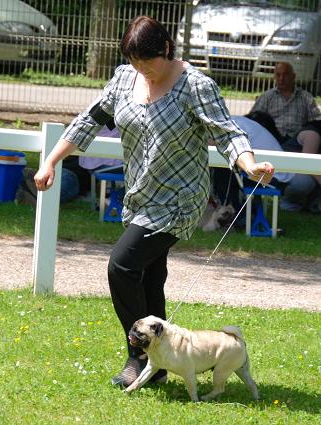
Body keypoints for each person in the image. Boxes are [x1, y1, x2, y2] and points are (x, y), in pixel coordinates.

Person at [34, 16, 274, 389]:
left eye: (148, 61)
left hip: (180, 200)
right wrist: (51, 160)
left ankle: (139, 356)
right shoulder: (124, 79)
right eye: (134, 61)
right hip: (140, 195)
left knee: (122, 266)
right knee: (150, 275)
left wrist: (249, 165)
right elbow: (89, 120)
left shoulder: (196, 86)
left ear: (166, 49)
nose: (142, 69)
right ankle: (162, 365)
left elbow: (228, 134)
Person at [250, 61, 321, 211]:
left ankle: (296, 200)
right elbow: (253, 121)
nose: (281, 78)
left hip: (297, 144)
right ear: (274, 76)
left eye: (285, 74)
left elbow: (315, 123)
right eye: (278, 75)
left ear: (294, 76)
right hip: (272, 143)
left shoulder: (305, 98)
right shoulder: (267, 97)